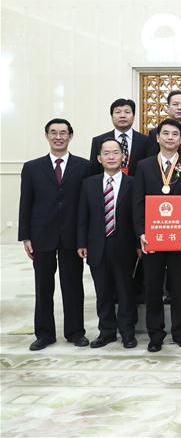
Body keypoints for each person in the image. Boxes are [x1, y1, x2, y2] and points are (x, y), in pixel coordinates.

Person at [19, 118, 91, 351]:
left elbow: (87, 204)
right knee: (43, 286)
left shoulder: (84, 166)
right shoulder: (32, 167)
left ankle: (75, 332)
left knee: (73, 285)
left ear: (71, 135)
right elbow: (26, 203)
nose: (58, 137)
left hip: (72, 236)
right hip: (42, 235)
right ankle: (44, 333)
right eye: (53, 133)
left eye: (63, 133)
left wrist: (85, 237)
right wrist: (25, 236)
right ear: (46, 136)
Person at [133, 119, 181, 352]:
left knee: (179, 286)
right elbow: (138, 202)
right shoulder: (144, 166)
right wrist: (141, 232)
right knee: (152, 287)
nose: (170, 137)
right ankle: (155, 334)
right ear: (157, 138)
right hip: (152, 238)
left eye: (175, 134)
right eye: (166, 133)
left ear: (180, 140)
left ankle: (180, 332)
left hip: (179, 237)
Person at [77, 138, 139, 349]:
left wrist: (139, 242)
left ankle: (127, 332)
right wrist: (81, 242)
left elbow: (137, 216)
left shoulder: (133, 183)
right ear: (99, 158)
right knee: (102, 292)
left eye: (116, 152)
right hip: (96, 246)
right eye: (107, 153)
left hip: (125, 246)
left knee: (125, 291)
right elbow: (82, 217)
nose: (111, 157)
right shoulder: (89, 184)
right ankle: (107, 332)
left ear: (123, 157)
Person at [145, 90, 181, 305]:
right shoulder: (150, 152)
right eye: (175, 104)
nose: (179, 107)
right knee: (155, 278)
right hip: (156, 223)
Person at [88, 98, 150, 176]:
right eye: (118, 112)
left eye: (127, 112)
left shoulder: (146, 140)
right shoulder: (98, 141)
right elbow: (94, 170)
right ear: (112, 116)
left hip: (136, 185)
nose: (122, 116)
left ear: (133, 116)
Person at [144, 90, 181, 160]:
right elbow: (151, 160)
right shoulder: (155, 133)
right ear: (168, 108)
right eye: (175, 104)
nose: (179, 108)